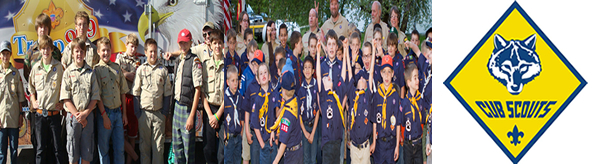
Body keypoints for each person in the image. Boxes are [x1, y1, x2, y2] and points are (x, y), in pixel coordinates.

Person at [60, 37, 101, 164]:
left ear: (85, 53)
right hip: (73, 119)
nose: (79, 54)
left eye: (81, 51)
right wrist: (78, 116)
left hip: (87, 118)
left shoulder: (91, 73)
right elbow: (65, 98)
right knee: (73, 155)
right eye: (76, 51)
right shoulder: (67, 73)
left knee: (87, 153)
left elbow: (95, 97)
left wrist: (85, 114)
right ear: (72, 54)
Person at [28, 35, 68, 164]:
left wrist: (62, 103)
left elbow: (65, 87)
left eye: (48, 48)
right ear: (40, 50)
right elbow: (31, 88)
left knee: (58, 149)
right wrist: (33, 101)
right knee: (40, 149)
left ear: (52, 50)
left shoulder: (58, 67)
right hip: (40, 115)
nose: (45, 51)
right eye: (43, 48)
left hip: (54, 115)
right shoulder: (36, 68)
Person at [132, 38, 172, 164]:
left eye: (155, 51)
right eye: (150, 51)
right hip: (144, 115)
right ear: (145, 52)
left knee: (158, 148)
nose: (153, 54)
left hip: (159, 114)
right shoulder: (141, 70)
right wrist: (138, 114)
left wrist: (164, 113)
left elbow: (167, 94)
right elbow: (135, 92)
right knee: (144, 147)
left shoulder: (163, 70)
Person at [93, 37, 129, 164]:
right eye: (103, 50)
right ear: (98, 51)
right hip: (105, 114)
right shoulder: (96, 70)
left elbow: (123, 91)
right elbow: (97, 97)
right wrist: (104, 116)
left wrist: (124, 114)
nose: (106, 53)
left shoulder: (116, 68)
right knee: (104, 150)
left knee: (119, 149)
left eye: (108, 50)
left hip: (118, 114)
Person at [315, 30, 348, 164]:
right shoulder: (322, 66)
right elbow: (318, 87)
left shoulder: (340, 66)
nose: (332, 47)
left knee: (337, 155)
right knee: (327, 154)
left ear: (336, 46)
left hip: (337, 118)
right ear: (326, 47)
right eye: (329, 44)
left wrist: (341, 109)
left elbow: (344, 85)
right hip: (326, 119)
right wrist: (318, 54)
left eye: (334, 44)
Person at [171, 29, 202, 163]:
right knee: (177, 148)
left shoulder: (194, 61)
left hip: (187, 110)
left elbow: (198, 90)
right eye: (181, 43)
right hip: (177, 107)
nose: (183, 46)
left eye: (185, 43)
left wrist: (191, 116)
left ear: (190, 43)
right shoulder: (179, 60)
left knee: (188, 150)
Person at [369, 55, 402, 164]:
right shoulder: (377, 95)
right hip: (379, 144)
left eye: (389, 72)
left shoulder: (395, 96)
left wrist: (397, 146)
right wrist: (373, 141)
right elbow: (374, 121)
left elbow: (397, 123)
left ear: (393, 74)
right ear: (381, 74)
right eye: (384, 71)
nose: (387, 75)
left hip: (391, 143)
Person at [201, 29, 226, 164]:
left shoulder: (228, 65)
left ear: (223, 45)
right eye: (214, 43)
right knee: (208, 149)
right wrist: (211, 115)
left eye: (219, 43)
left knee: (222, 151)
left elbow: (228, 93)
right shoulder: (205, 65)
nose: (217, 46)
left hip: (223, 110)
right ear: (210, 45)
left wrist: (218, 116)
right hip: (209, 110)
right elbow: (202, 92)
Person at [115, 33, 141, 164]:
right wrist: (126, 74)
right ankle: (135, 156)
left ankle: (129, 161)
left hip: (134, 99)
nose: (134, 50)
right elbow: (115, 72)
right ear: (126, 45)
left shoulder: (138, 62)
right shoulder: (120, 58)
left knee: (132, 133)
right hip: (121, 98)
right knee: (119, 132)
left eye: (136, 47)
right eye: (131, 46)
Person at [0, 41, 25, 164]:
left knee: (14, 150)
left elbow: (20, 96)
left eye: (7, 54)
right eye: (3, 54)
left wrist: (21, 115)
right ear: (0, 56)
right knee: (1, 152)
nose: (5, 57)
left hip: (14, 118)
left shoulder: (15, 74)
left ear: (10, 55)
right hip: (1, 119)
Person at [271, 71, 303, 164]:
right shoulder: (295, 101)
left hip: (291, 156)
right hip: (298, 152)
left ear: (283, 91)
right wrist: (273, 130)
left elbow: (283, 144)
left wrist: (275, 161)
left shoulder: (287, 116)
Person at [251, 63, 279, 164]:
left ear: (269, 77)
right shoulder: (257, 99)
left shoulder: (275, 95)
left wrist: (275, 133)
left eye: (265, 72)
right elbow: (255, 124)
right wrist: (262, 144)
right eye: (261, 73)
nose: (263, 75)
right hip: (264, 143)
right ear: (258, 80)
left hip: (274, 142)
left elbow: (278, 117)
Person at [24, 13, 62, 80]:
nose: (43, 30)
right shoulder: (31, 52)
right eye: (41, 27)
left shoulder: (56, 51)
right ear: (37, 29)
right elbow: (27, 75)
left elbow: (60, 71)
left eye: (45, 27)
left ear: (49, 29)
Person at [401, 63, 425, 164]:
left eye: (418, 77)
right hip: (408, 146)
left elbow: (422, 122)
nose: (417, 80)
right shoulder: (404, 103)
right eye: (415, 78)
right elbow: (402, 124)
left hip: (419, 144)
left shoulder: (421, 101)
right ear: (409, 82)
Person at [297, 56, 319, 164]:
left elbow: (318, 111)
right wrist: (305, 132)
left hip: (314, 126)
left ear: (313, 70)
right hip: (304, 127)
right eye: (305, 67)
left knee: (312, 159)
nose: (307, 70)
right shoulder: (301, 90)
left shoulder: (316, 87)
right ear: (302, 70)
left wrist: (313, 132)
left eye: (309, 67)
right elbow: (299, 114)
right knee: (306, 158)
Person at [243, 50, 263, 164]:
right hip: (252, 128)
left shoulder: (266, 85)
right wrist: (246, 129)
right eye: (254, 64)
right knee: (254, 158)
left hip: (263, 129)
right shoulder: (250, 86)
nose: (256, 67)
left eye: (258, 64)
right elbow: (246, 109)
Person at [223, 65, 244, 164]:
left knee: (237, 161)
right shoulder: (225, 98)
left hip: (238, 137)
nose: (235, 83)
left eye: (237, 80)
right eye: (232, 81)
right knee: (228, 161)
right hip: (229, 137)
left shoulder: (240, 97)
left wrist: (241, 133)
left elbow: (241, 117)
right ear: (227, 82)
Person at [386, 33, 406, 99]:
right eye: (389, 46)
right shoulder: (385, 61)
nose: (390, 48)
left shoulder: (399, 62)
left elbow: (402, 84)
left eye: (393, 45)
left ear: (396, 47)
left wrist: (402, 100)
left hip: (397, 96)